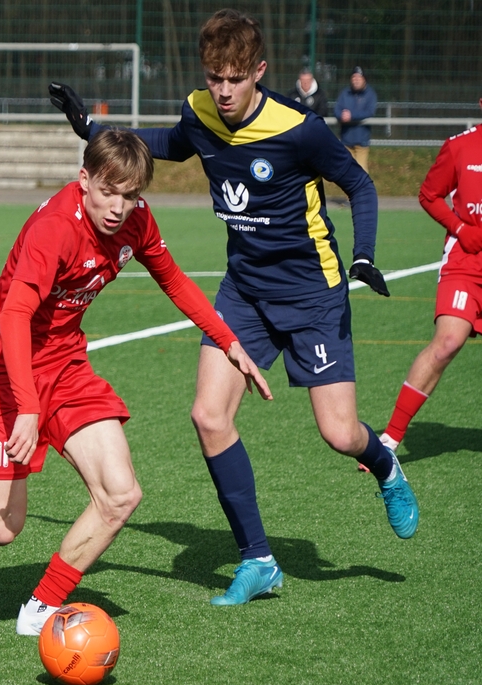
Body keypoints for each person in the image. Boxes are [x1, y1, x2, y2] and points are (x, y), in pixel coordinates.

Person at [49, 8, 419, 606]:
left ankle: (385, 466)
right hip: (243, 291)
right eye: (214, 77)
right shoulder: (200, 111)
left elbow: (359, 184)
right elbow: (170, 144)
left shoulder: (298, 128)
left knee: (339, 432)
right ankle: (258, 560)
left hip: (311, 295)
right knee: (208, 415)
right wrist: (91, 127)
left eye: (235, 78)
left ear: (259, 72)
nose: (223, 90)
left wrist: (364, 254)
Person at [0, 129, 272, 635]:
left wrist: (229, 341)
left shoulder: (136, 219)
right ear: (84, 180)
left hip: (65, 364)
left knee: (121, 494)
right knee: (3, 528)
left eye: (130, 195)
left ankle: (40, 608)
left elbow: (173, 280)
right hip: (2, 367)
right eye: (108, 192)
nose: (118, 208)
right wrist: (28, 407)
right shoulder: (55, 229)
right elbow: (15, 316)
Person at [374, 99, 482, 453]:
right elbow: (429, 194)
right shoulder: (460, 147)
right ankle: (390, 438)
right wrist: (460, 228)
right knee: (447, 342)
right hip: (466, 262)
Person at [335, 66, 377, 172]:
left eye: (359, 77)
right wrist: (341, 115)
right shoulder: (345, 93)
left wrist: (351, 115)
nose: (356, 80)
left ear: (364, 79)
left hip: (361, 142)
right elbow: (337, 109)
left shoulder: (370, 94)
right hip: (346, 141)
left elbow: (370, 111)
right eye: (354, 77)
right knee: (346, 172)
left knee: (361, 172)